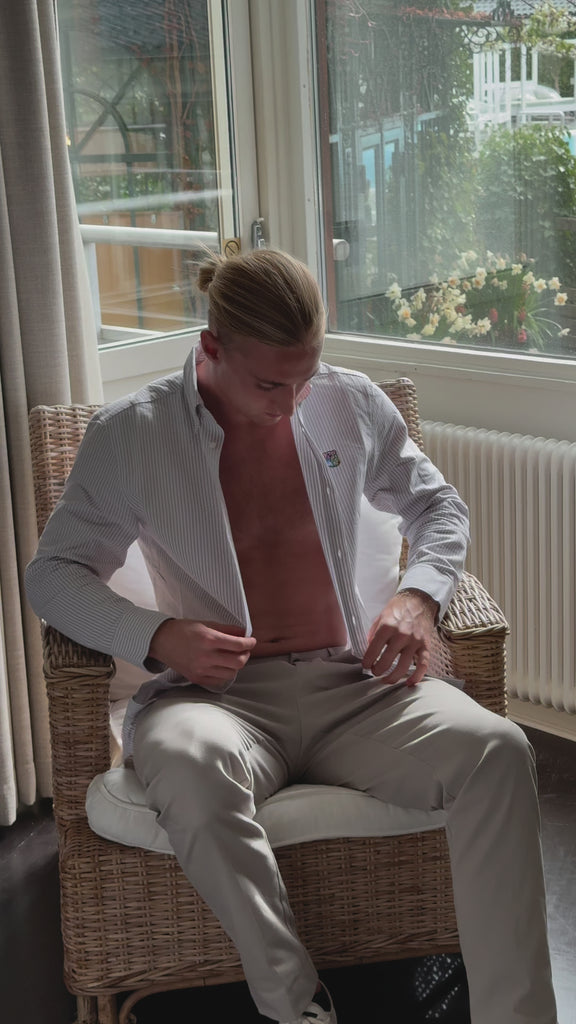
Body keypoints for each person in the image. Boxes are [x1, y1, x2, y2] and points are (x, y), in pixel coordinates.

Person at [26, 249, 557, 1024]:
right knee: (188, 765)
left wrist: (418, 596)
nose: (293, 400)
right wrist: (159, 635)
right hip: (215, 699)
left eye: (305, 376)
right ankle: (297, 1005)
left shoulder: (348, 401)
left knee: (500, 751)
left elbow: (438, 507)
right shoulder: (133, 434)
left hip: (359, 686)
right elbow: (52, 575)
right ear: (211, 348)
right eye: (270, 384)